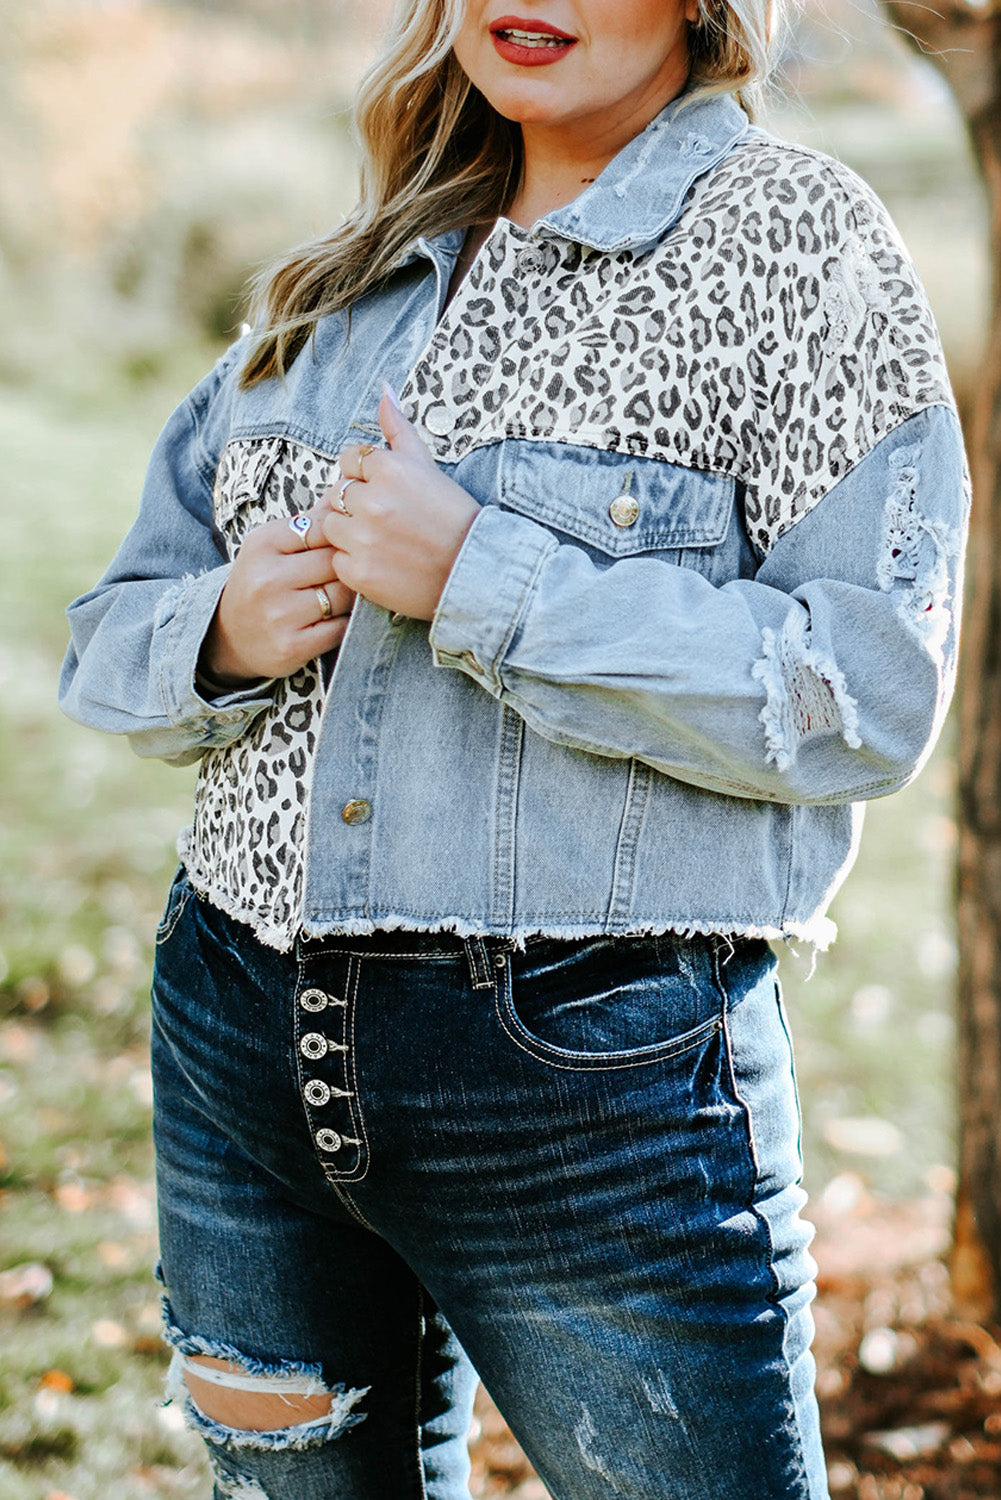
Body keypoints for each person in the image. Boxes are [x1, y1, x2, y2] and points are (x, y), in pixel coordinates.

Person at [59, 0, 969, 1496]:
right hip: (236, 1049)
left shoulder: (799, 245)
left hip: (589, 1090)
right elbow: (109, 634)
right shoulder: (351, 265)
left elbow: (862, 693)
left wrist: (484, 576)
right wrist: (220, 628)